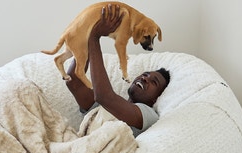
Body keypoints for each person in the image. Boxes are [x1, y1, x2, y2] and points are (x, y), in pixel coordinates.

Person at [65, 4, 170, 137]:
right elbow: (73, 81)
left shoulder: (149, 115)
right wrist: (89, 29)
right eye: (145, 74)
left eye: (153, 82)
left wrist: (94, 38)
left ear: (156, 99)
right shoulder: (102, 108)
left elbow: (104, 96)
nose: (144, 78)